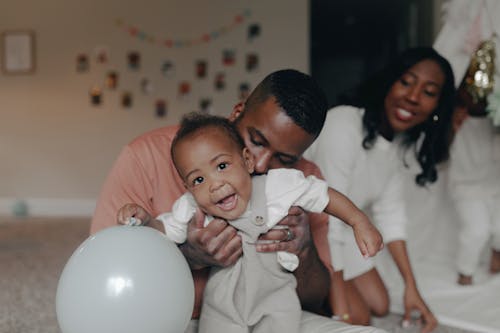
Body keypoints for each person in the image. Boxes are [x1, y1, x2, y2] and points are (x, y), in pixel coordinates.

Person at [91, 69, 387, 333]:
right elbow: (106, 271)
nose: (259, 164)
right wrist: (187, 255)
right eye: (255, 141)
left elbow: (314, 299)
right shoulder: (146, 156)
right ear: (237, 111)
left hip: (270, 319)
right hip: (171, 320)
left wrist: (304, 251)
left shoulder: (301, 180)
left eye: (284, 159)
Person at [304, 47, 456, 333]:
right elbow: (328, 218)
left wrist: (412, 289)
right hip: (309, 227)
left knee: (381, 305)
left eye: (429, 91)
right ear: (389, 82)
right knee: (358, 318)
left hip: (340, 231)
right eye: (406, 82)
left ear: (438, 107)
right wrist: (342, 313)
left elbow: (391, 217)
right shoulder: (344, 124)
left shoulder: (397, 145)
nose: (412, 97)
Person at [433, 0, 500, 286]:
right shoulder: (456, 120)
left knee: (498, 226)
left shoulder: (493, 121)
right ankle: (465, 273)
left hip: (492, 183)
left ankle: (496, 258)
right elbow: (441, 148)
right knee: (476, 229)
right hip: (466, 186)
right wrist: (452, 123)